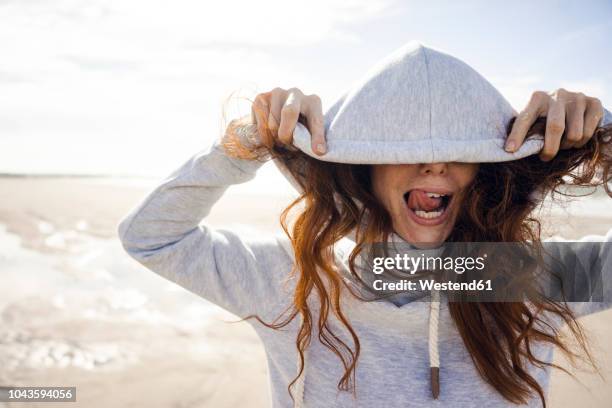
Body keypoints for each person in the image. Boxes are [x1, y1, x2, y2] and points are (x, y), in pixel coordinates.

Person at [118, 42, 612, 407]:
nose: (434, 167)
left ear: (485, 170)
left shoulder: (524, 277)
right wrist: (243, 144)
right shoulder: (293, 279)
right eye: (406, 151)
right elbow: (151, 237)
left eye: (458, 150)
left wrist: (605, 137)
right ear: (364, 169)